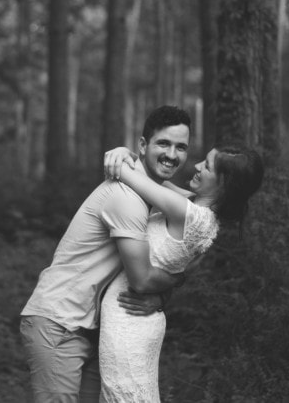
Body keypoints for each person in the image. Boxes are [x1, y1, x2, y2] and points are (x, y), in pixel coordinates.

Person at [20, 105, 194, 403]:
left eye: (181, 147)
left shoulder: (148, 191)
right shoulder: (125, 197)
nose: (172, 155)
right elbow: (141, 280)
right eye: (163, 143)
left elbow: (200, 210)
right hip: (59, 322)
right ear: (142, 145)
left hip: (93, 328)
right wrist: (175, 282)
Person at [98, 143, 264, 402]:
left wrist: (119, 153)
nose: (197, 166)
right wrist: (127, 153)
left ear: (223, 184)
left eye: (207, 166)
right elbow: (149, 177)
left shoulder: (188, 214)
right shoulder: (200, 213)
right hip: (137, 317)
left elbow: (128, 174)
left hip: (128, 321)